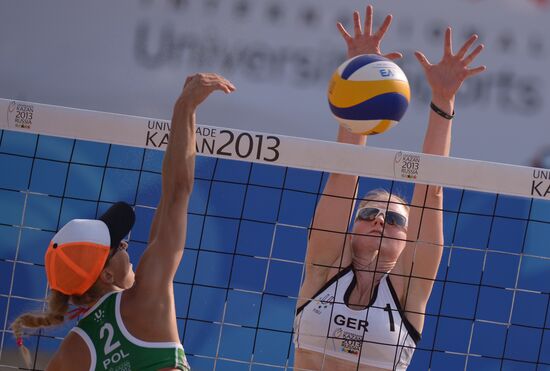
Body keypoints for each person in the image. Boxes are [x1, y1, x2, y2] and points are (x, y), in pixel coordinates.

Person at [293, 5, 486, 371]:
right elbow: (344, 175)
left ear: (408, 241)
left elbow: (431, 191)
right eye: (369, 213)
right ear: (352, 228)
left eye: (395, 220)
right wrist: (360, 74)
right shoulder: (323, 268)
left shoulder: (409, 289)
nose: (380, 220)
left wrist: (443, 101)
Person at [10, 73, 236, 371]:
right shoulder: (145, 297)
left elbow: (171, 195)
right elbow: (177, 192)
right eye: (117, 247)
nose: (126, 244)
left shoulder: (70, 354)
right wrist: (185, 107)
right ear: (106, 275)